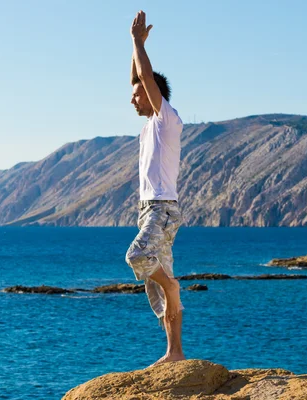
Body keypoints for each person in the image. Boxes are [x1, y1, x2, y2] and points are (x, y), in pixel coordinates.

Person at [125, 10, 186, 367]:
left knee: (137, 257)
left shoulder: (166, 119)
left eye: (138, 95)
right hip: (150, 209)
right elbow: (137, 76)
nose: (132, 99)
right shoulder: (150, 125)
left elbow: (145, 77)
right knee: (158, 289)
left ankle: (173, 286)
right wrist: (134, 47)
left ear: (154, 96)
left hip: (162, 207)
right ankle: (175, 353)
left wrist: (137, 42)